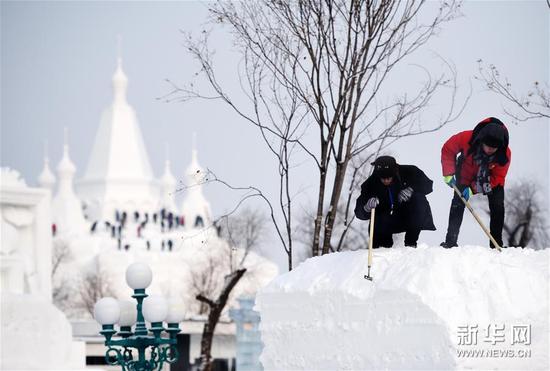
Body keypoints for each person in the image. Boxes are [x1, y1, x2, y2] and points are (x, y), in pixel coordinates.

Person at [440, 117, 511, 249]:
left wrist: (473, 189)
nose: (490, 150)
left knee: (498, 206)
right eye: (488, 146)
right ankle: (450, 241)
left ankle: (496, 244)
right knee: (458, 202)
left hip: (489, 179)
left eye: (493, 148)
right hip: (465, 171)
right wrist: (449, 173)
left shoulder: (504, 155)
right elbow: (448, 149)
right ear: (481, 140)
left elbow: (497, 178)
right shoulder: (467, 137)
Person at [354, 155, 436, 248]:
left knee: (418, 198)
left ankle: (410, 244)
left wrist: (412, 189)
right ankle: (382, 248)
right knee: (380, 231)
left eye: (388, 178)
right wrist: (366, 208)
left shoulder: (410, 171)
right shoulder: (370, 184)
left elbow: (428, 185)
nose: (385, 180)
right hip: (384, 222)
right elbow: (358, 211)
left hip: (407, 217)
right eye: (382, 178)